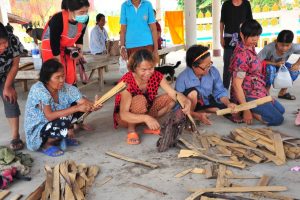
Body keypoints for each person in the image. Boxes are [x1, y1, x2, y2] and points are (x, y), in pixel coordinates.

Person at [24, 59, 101, 157]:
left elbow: (84, 103)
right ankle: (46, 144)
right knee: (68, 116)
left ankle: (60, 137)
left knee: (79, 107)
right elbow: (49, 116)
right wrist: (77, 108)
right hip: (39, 129)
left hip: (57, 122)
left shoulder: (66, 88)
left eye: (63, 76)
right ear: (47, 79)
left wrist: (95, 105)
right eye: (57, 77)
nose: (62, 80)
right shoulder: (39, 90)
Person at [113, 49, 190, 145]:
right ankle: (131, 130)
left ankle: (147, 124)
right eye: (143, 70)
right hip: (126, 119)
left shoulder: (157, 75)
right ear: (134, 68)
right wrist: (146, 118)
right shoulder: (126, 82)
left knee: (170, 99)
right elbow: (124, 114)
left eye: (151, 68)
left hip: (145, 110)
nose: (148, 73)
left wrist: (186, 102)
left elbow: (173, 93)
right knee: (139, 99)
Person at [230, 19, 284, 126]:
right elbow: (236, 85)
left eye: (257, 35)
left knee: (281, 110)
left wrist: (265, 94)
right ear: (241, 34)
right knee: (277, 119)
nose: (255, 39)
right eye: (252, 36)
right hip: (249, 94)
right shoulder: (241, 55)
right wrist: (246, 110)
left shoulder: (250, 47)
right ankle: (248, 111)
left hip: (258, 90)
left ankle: (255, 108)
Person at [175, 45, 239, 125]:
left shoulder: (213, 71)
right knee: (193, 93)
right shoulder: (182, 78)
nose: (209, 68)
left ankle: (201, 111)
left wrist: (228, 103)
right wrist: (193, 114)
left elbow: (219, 92)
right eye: (205, 67)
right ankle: (190, 118)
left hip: (206, 101)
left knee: (231, 110)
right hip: (189, 105)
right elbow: (178, 102)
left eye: (210, 64)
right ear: (194, 66)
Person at [41, 0, 90, 85]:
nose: (85, 15)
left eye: (86, 12)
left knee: (70, 74)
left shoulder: (85, 19)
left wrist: (80, 53)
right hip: (51, 49)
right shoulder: (58, 19)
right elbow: (54, 44)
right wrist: (59, 66)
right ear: (70, 10)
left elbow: (80, 36)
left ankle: (72, 90)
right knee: (56, 75)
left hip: (67, 47)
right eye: (81, 12)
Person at [0, 22, 24, 151]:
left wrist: (7, 86)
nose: (4, 46)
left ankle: (15, 137)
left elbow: (15, 65)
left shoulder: (12, 40)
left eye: (4, 43)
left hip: (6, 74)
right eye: (0, 44)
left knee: (10, 99)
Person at [258, 30, 300, 100]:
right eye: (282, 45)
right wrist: (274, 64)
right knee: (271, 69)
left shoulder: (293, 47)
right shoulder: (269, 48)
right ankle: (266, 94)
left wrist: (297, 64)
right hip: (268, 66)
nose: (284, 48)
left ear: (291, 44)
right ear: (276, 42)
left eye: (287, 45)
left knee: (294, 71)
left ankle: (282, 93)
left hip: (281, 66)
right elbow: (257, 61)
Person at [220, 0, 253, 89]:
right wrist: (221, 37)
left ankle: (240, 87)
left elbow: (250, 22)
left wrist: (251, 39)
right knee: (228, 64)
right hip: (228, 39)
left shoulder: (246, 4)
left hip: (243, 40)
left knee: (243, 64)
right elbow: (222, 22)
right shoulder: (226, 4)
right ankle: (225, 88)